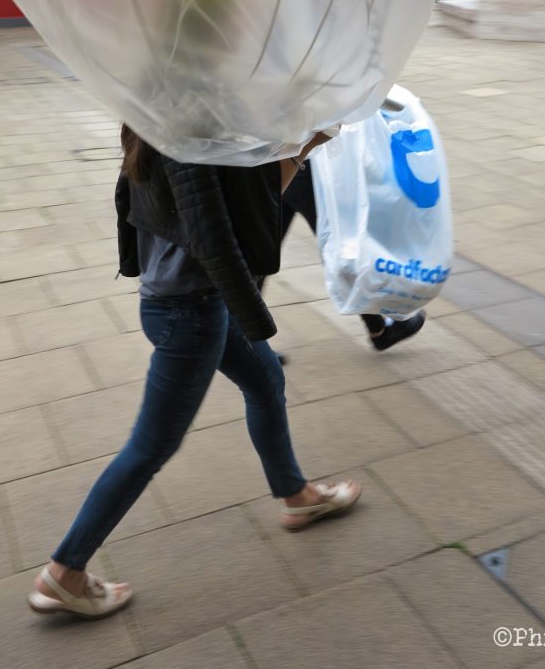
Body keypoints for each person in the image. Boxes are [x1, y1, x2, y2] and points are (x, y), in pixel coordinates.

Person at [27, 128, 362, 619]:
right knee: (151, 446)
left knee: (265, 380)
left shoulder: (153, 116)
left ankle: (297, 495)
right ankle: (64, 572)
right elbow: (244, 221)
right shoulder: (195, 137)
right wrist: (303, 148)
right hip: (192, 312)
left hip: (183, 300)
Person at [281, 161, 426, 351]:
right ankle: (378, 329)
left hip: (277, 163)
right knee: (343, 251)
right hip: (303, 168)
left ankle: (247, 336)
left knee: (260, 250)